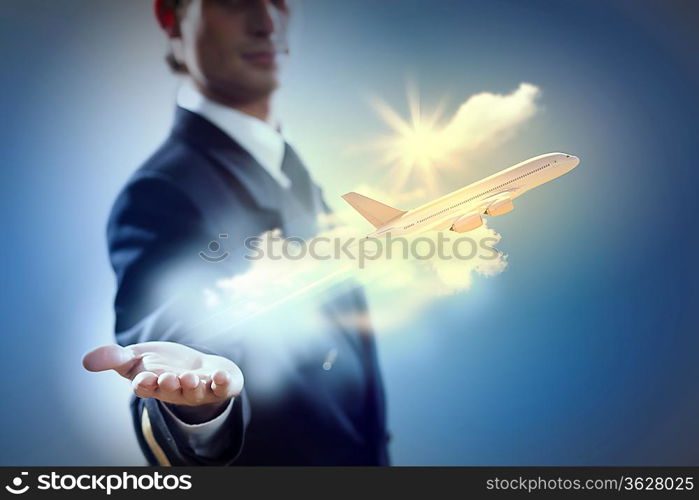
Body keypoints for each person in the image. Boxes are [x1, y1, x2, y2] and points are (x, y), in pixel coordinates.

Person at [82, 0, 389, 465]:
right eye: (234, 2)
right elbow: (181, 331)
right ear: (172, 20)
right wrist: (201, 406)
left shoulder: (291, 170)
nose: (268, 22)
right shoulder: (161, 192)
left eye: (279, 1)